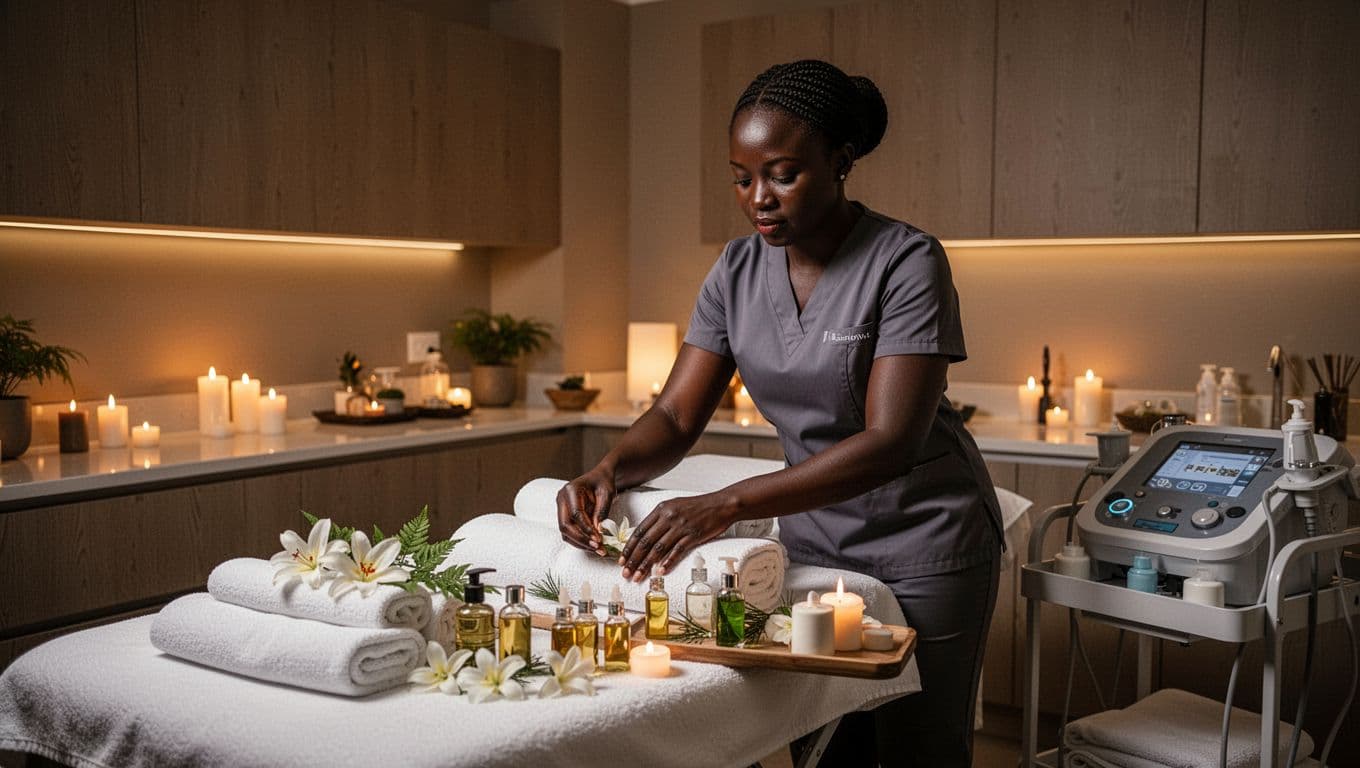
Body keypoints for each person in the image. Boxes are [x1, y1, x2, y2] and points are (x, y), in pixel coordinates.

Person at [556, 59, 1002, 767]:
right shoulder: (736, 272)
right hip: (815, 541)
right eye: (742, 178)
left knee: (919, 750)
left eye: (782, 175)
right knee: (821, 747)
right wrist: (605, 470)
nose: (759, 197)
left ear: (840, 162)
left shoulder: (905, 260)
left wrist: (724, 504)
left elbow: (891, 441)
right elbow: (674, 416)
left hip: (924, 541)